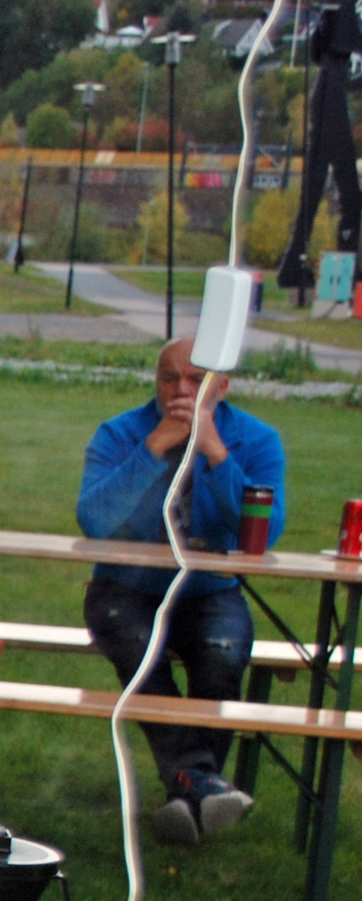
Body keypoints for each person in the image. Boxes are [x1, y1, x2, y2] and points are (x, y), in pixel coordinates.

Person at [76, 335, 286, 842]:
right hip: (125, 588)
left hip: (208, 589)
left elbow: (262, 534)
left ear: (223, 386)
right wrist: (153, 447)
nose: (181, 390)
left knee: (222, 653)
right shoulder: (120, 432)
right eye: (169, 377)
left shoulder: (256, 440)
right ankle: (201, 782)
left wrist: (216, 453)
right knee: (135, 646)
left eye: (196, 379)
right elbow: (95, 520)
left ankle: (187, 787)